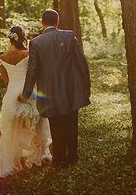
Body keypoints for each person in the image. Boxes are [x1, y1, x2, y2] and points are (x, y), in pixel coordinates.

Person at [19, 9, 91, 167]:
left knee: (56, 124)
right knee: (72, 124)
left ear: (42, 23)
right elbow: (82, 63)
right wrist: (86, 86)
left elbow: (33, 70)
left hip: (50, 92)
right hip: (71, 89)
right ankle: (72, 158)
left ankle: (59, 159)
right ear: (57, 22)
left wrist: (26, 92)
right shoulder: (69, 35)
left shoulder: (36, 43)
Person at [0, 26, 52, 177]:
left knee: (12, 129)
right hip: (29, 92)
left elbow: (6, 81)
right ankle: (40, 154)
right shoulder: (28, 54)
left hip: (11, 95)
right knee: (39, 123)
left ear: (10, 38)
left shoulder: (2, 58)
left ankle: (14, 159)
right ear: (23, 38)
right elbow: (35, 74)